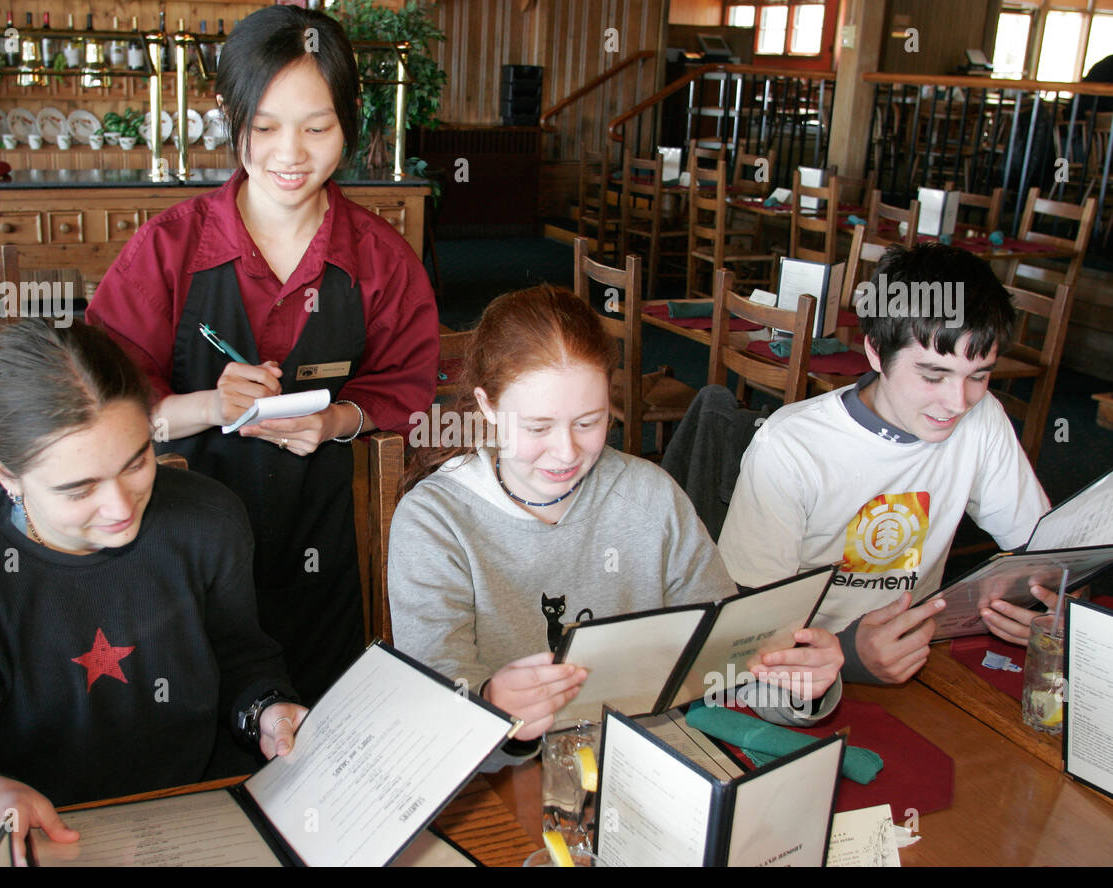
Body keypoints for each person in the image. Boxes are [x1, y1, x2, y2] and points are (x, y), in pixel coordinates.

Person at [86, 5, 438, 705]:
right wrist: (207, 405)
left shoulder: (380, 259)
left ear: (349, 123)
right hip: (178, 551)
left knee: (318, 731)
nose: (291, 154)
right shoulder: (169, 249)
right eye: (266, 127)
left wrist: (336, 420)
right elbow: (98, 401)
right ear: (231, 117)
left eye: (318, 127)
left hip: (328, 551)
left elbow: (406, 385)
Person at [0, 321, 307, 865]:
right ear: (5, 474)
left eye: (136, 462)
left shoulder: (208, 518)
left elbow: (243, 662)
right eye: (79, 488)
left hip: (203, 812)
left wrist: (267, 712)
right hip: (53, 836)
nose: (121, 508)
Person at [389, 285, 843, 761]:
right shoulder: (435, 521)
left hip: (648, 756)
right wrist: (491, 707)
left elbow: (723, 665)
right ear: (487, 407)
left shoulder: (652, 497)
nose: (566, 452)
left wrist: (796, 682)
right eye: (538, 427)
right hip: (502, 778)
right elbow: (438, 702)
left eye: (590, 421)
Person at [718, 243, 1056, 685]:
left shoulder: (981, 417)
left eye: (979, 375)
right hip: (801, 673)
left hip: (918, 658)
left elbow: (1043, 550)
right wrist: (848, 653)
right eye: (932, 375)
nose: (957, 403)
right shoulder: (791, 447)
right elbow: (742, 637)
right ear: (876, 352)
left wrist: (1046, 601)